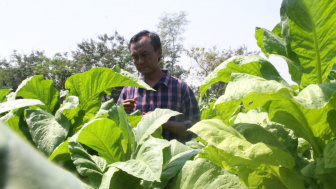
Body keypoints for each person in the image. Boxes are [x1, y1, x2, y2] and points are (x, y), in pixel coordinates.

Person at [117, 30, 200, 142]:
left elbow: (196, 129)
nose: (140, 61)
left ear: (158, 52)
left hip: (172, 157)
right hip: (138, 158)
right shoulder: (128, 90)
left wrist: (163, 123)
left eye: (144, 55)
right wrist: (121, 113)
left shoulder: (180, 88)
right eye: (135, 57)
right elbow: (115, 128)